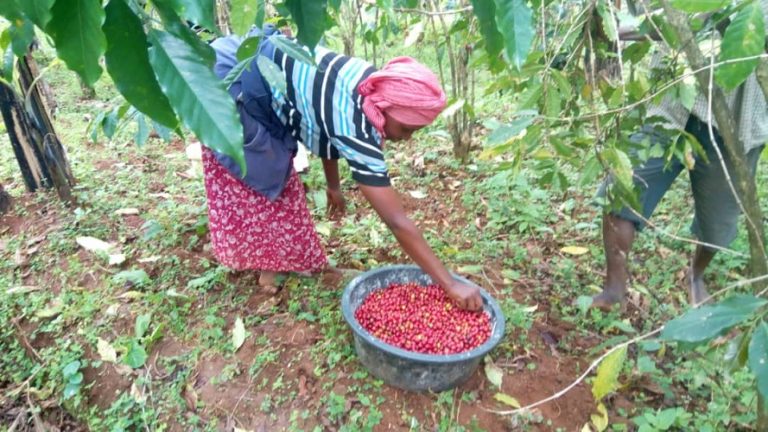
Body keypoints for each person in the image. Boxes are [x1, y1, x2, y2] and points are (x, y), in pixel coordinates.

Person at [202, 25, 483, 311]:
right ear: (384, 106)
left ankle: (281, 260)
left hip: (248, 69)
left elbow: (325, 126)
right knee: (265, 181)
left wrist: (333, 185)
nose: (407, 137)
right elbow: (397, 221)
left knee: (280, 184)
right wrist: (449, 283)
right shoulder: (356, 125)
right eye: (406, 128)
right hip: (226, 85)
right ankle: (265, 265)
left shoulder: (368, 82)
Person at [592, 9, 768, 310]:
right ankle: (614, 289)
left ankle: (695, 275)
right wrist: (618, 29)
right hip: (672, 107)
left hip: (739, 126)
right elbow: (672, 15)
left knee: (717, 227)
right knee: (621, 191)